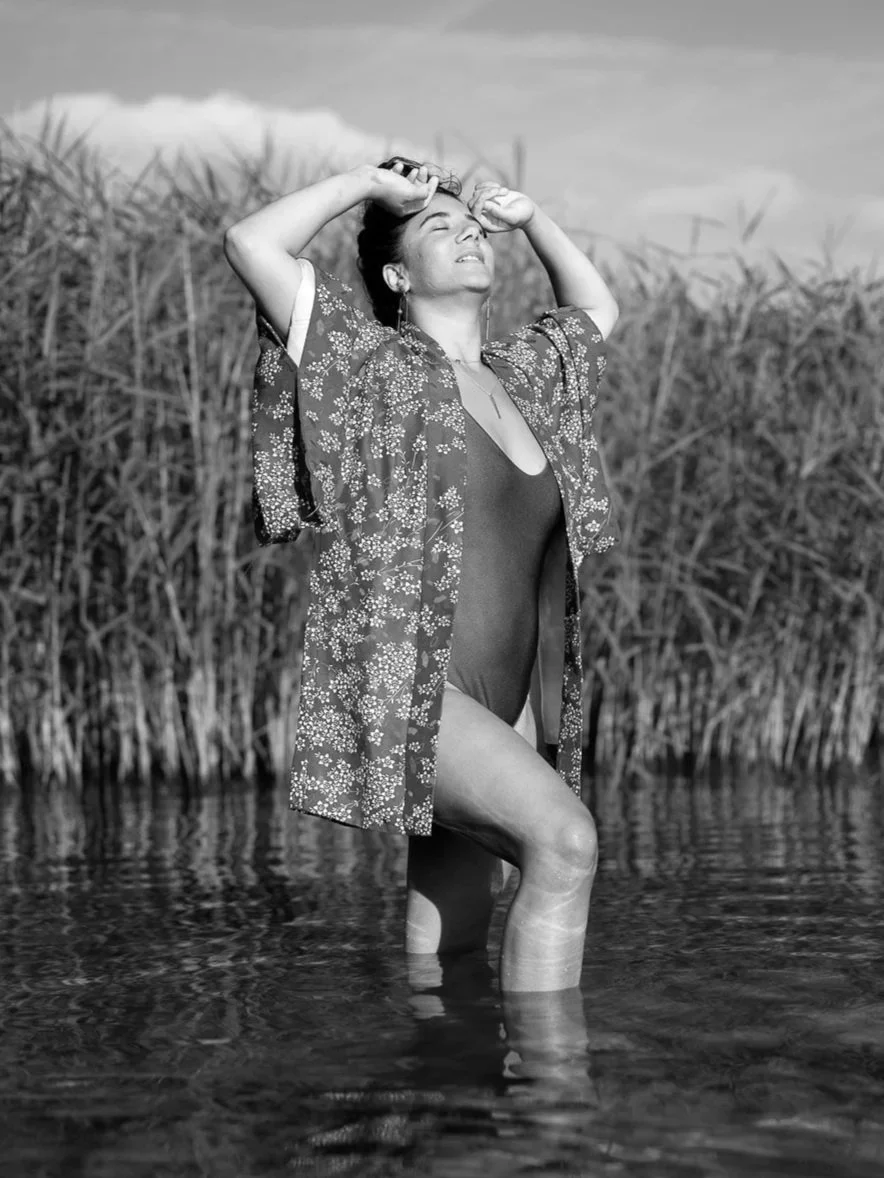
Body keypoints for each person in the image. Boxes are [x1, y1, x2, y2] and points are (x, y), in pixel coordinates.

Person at [224, 158, 619, 992]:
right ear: (398, 274)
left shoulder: (526, 377)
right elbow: (251, 241)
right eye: (440, 228)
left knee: (461, 917)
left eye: (472, 226)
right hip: (410, 681)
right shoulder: (369, 363)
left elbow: (596, 311)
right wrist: (368, 185)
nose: (468, 232)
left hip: (506, 697)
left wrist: (534, 215)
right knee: (564, 842)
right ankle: (552, 1106)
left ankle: (437, 1094)